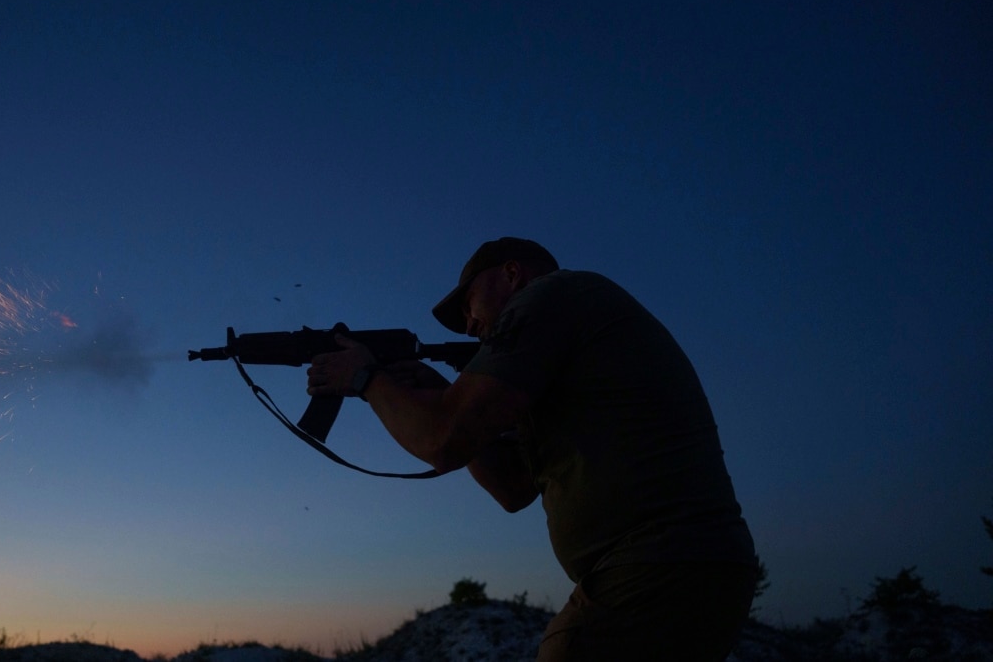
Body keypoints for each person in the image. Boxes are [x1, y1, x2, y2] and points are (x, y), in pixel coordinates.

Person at [306, 237, 757, 661]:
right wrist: (440, 395)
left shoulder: (550, 296)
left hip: (656, 566)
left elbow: (441, 442)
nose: (468, 324)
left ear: (512, 274)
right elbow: (513, 488)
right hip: (681, 568)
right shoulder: (571, 338)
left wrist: (366, 379)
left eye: (468, 303)